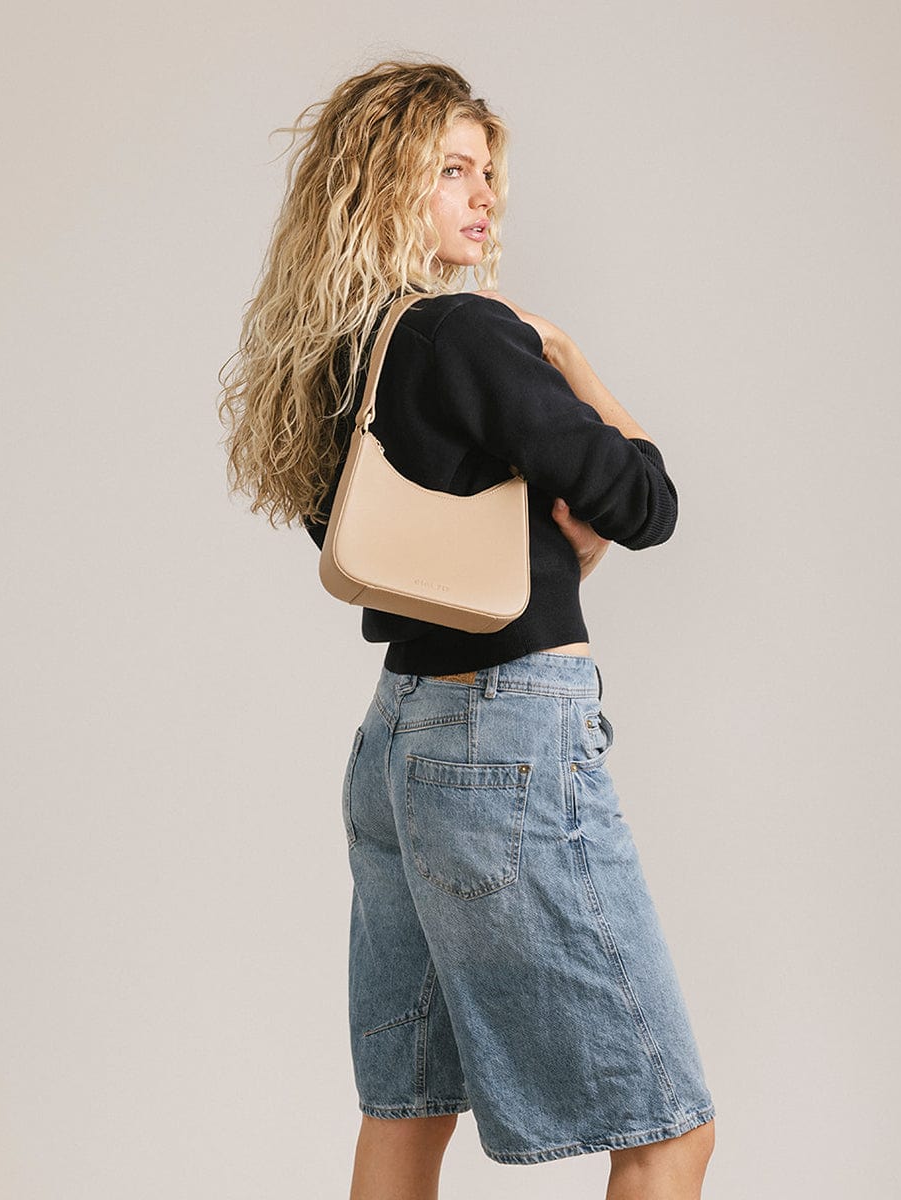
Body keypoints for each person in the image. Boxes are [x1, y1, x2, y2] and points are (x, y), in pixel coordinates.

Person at [219, 58, 716, 1200]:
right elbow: (646, 502)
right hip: (508, 739)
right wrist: (578, 369)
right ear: (382, 185)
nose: (482, 194)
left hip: (399, 747)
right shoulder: (468, 332)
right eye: (451, 169)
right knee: (668, 1129)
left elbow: (388, 556)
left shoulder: (341, 357)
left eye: (486, 171)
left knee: (406, 1114)